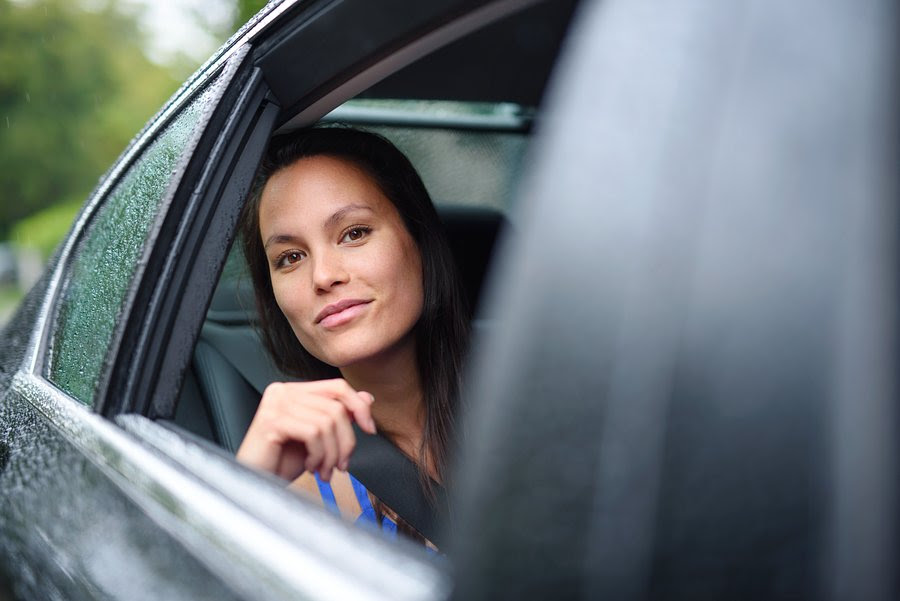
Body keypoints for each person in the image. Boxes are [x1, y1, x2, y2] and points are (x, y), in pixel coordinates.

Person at [236, 126, 469, 547]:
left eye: (354, 233)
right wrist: (244, 487)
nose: (324, 276)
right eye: (290, 258)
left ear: (417, 238)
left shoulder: (544, 404)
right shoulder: (292, 496)